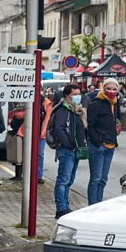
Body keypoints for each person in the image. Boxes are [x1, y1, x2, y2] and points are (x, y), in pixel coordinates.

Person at [52, 84, 87, 218]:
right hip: (67, 150)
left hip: (75, 150)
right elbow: (59, 129)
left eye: (79, 94)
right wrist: (69, 144)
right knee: (63, 180)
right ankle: (61, 208)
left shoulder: (76, 110)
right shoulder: (63, 109)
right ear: (67, 96)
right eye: (74, 94)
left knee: (69, 180)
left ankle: (65, 206)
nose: (78, 97)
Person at [86, 78, 122, 205]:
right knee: (96, 178)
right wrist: (97, 141)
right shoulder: (96, 104)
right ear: (103, 89)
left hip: (110, 145)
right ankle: (92, 205)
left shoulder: (115, 104)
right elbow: (89, 126)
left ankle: (98, 204)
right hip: (98, 146)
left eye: (114, 89)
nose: (111, 92)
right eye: (108, 89)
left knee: (103, 179)